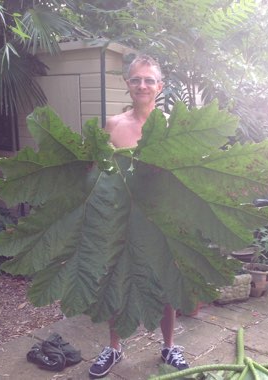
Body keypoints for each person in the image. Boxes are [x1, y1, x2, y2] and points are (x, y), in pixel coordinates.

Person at [88, 55, 190, 378]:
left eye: (149, 80)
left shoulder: (173, 128)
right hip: (121, 221)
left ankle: (169, 345)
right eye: (136, 79)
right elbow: (98, 172)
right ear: (128, 84)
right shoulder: (114, 125)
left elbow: (185, 176)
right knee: (117, 282)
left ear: (160, 86)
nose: (142, 85)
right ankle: (115, 348)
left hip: (161, 221)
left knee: (166, 287)